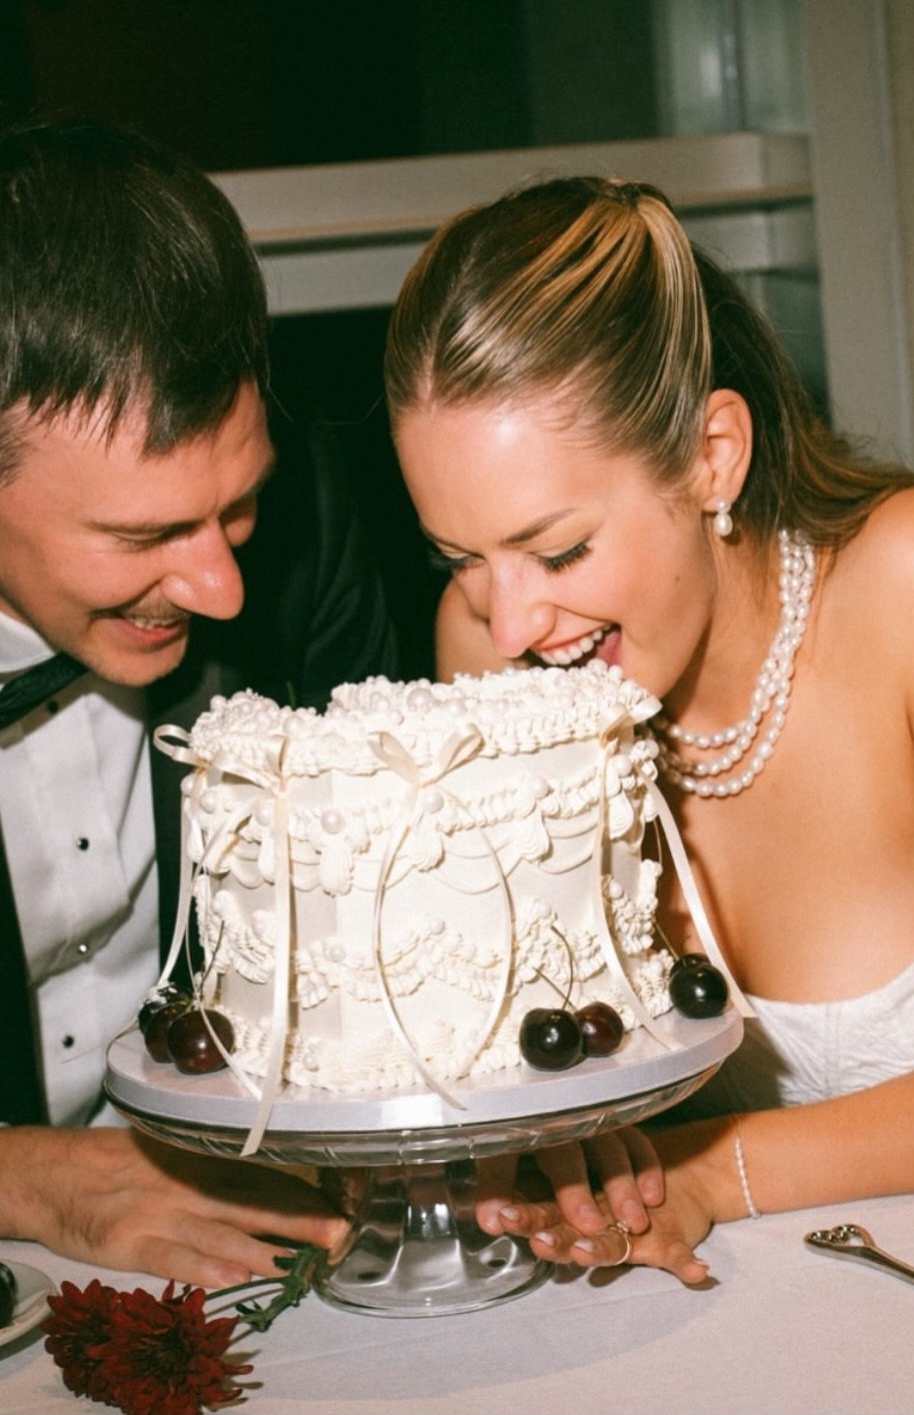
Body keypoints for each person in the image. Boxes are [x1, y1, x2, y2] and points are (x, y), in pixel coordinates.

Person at [0, 118, 397, 1288]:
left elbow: (396, 905)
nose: (223, 585)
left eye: (234, 507)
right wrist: (15, 1178)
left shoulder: (312, 511)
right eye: (143, 533)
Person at [382, 175, 914, 1284]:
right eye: (461, 558)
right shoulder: (486, 642)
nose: (514, 621)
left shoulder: (903, 590)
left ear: (713, 454)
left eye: (559, 549)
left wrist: (715, 1171)